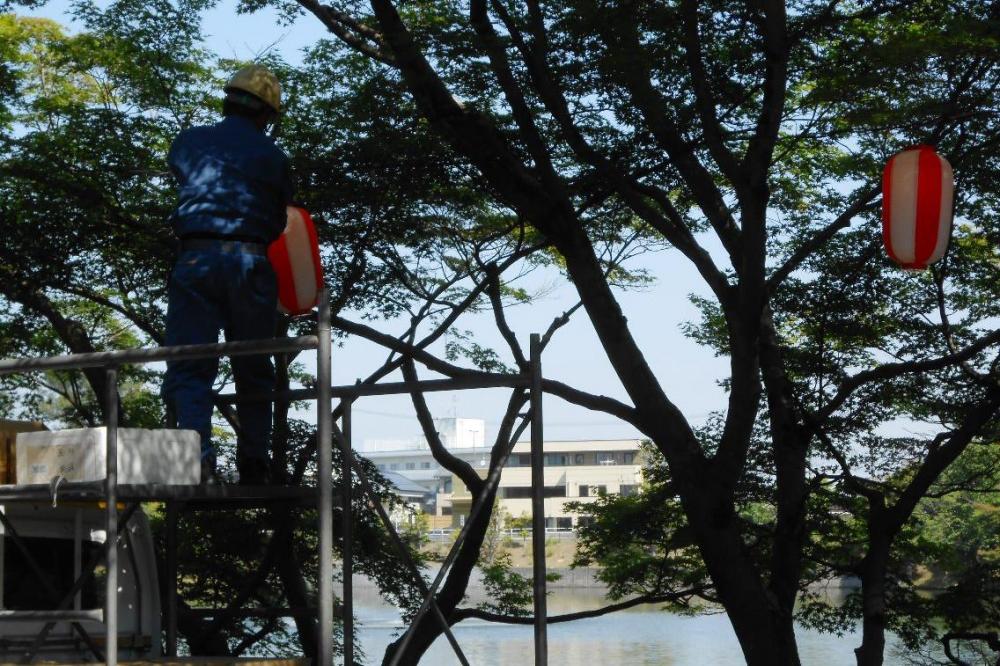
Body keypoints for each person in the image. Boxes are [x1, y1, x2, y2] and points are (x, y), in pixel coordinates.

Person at [162, 64, 293, 485]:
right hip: (250, 264)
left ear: (227, 101)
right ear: (266, 116)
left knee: (189, 364)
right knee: (253, 365)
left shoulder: (189, 142)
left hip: (196, 260)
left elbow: (182, 171)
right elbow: (278, 220)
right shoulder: (274, 158)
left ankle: (195, 458)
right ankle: (255, 462)